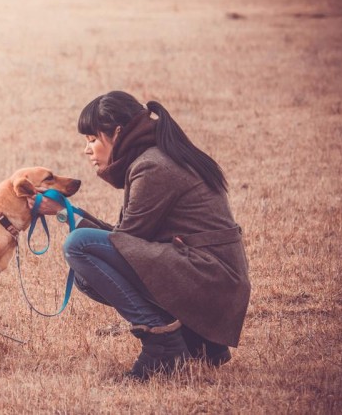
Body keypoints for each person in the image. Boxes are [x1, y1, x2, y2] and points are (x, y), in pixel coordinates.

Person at [31, 91, 251, 381]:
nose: (87, 150)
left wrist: (66, 216)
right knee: (86, 269)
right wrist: (64, 212)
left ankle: (163, 345)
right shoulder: (156, 156)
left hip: (211, 279)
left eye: (92, 139)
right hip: (211, 275)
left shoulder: (152, 166)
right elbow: (126, 240)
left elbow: (124, 243)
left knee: (78, 246)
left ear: (118, 132)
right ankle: (199, 341)